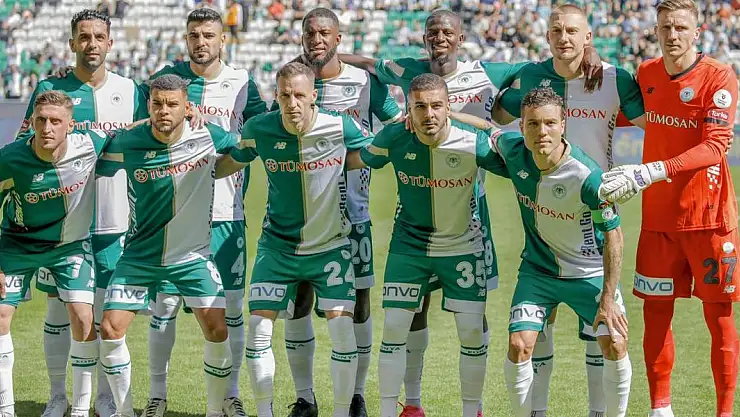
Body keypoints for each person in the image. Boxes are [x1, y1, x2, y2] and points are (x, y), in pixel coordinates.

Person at [339, 10, 604, 416]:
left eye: (448, 32)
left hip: (469, 215)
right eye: (432, 32)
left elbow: (537, 72)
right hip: (413, 227)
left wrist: (589, 52)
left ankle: (472, 409)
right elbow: (370, 68)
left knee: (471, 324)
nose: (440, 38)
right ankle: (408, 405)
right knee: (406, 319)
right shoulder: (405, 78)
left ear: (461, 38)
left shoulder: (484, 75)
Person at [491, 4, 645, 416]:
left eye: (573, 31)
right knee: (537, 332)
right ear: (547, 36)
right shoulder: (531, 76)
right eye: (556, 30)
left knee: (603, 334)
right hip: (545, 216)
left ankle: (600, 412)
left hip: (593, 214)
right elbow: (496, 114)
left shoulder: (614, 79)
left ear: (588, 37)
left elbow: (655, 122)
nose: (564, 38)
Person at [599, 1, 740, 416]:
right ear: (656, 30)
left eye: (680, 27)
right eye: (665, 27)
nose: (672, 34)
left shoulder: (719, 76)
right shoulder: (646, 74)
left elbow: (715, 146)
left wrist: (651, 170)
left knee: (720, 320)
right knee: (656, 316)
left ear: (697, 32)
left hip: (709, 221)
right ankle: (660, 409)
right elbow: (621, 114)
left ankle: (724, 412)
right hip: (659, 221)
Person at [346, 73, 508, 417]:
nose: (428, 114)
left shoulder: (472, 141)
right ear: (408, 109)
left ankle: (472, 411)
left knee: (470, 331)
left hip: (462, 245)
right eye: (420, 106)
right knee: (394, 328)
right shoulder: (394, 136)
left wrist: (487, 127)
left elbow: (517, 164)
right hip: (410, 246)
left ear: (448, 107)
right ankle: (395, 411)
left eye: (436, 106)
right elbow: (358, 158)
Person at [215, 62, 372, 417]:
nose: (292, 103)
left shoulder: (340, 126)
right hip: (278, 247)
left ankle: (341, 412)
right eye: (285, 95)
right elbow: (231, 160)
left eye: (299, 95)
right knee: (258, 329)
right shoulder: (260, 128)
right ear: (276, 95)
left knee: (342, 330)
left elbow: (375, 154)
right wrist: (197, 168)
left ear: (313, 96)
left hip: (330, 246)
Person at [270, 8, 402, 417]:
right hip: (301, 218)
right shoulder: (292, 82)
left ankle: (357, 395)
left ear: (338, 37)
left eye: (324, 33)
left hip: (353, 214)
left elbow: (398, 124)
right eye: (310, 33)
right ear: (302, 37)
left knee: (359, 302)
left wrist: (367, 148)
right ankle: (305, 398)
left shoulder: (364, 82)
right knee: (299, 300)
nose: (317, 40)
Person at [16, 9, 148, 417]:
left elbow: (152, 137)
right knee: (58, 311)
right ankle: (59, 397)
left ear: (110, 43)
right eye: (84, 37)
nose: (92, 44)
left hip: (113, 221)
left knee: (105, 315)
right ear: (72, 43)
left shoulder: (130, 90)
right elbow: (26, 144)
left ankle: (104, 399)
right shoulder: (51, 89)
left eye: (99, 37)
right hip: (62, 226)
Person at [468, 86, 630, 417]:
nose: (541, 131)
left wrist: (608, 298)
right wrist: (442, 114)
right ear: (522, 126)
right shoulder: (514, 150)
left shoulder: (588, 177)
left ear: (563, 125)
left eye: (550, 123)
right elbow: (487, 128)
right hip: (538, 272)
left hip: (588, 273)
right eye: (533, 124)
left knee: (614, 343)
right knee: (518, 345)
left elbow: (614, 236)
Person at [141, 8, 267, 417]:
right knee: (164, 308)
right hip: (172, 215)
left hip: (227, 214)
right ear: (186, 38)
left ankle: (230, 395)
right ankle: (157, 395)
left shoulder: (242, 83)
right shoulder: (168, 79)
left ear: (222, 39)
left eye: (209, 35)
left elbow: (259, 135)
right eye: (194, 35)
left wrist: (219, 139)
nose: (201, 42)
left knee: (230, 309)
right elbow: (135, 116)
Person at [97, 74, 237, 417]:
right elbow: (93, 160)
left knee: (218, 328)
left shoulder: (207, 134)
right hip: (140, 256)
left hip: (192, 256)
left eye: (172, 104)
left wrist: (213, 171)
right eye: (157, 103)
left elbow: (243, 149)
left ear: (187, 107)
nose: (164, 110)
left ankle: (214, 411)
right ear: (148, 105)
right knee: (110, 328)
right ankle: (125, 412)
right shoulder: (128, 140)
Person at [0, 90, 111, 417]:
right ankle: (6, 410)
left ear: (70, 125)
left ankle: (79, 409)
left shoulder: (89, 144)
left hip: (69, 247)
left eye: (55, 121)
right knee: (0, 314)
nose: (47, 128)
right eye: (41, 120)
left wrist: (180, 117)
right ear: (32, 122)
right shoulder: (10, 159)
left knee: (84, 318)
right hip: (17, 244)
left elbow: (131, 132)